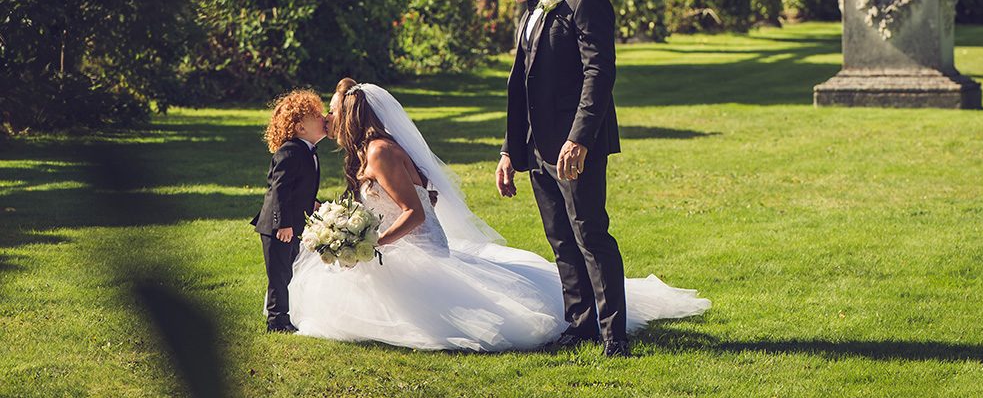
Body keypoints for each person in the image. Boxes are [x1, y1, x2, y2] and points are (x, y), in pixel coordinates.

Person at [286, 80, 708, 352]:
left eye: (334, 112)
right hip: (404, 244)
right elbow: (428, 198)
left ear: (352, 115)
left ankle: (593, 317)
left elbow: (416, 212)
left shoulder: (378, 151)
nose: (329, 119)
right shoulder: (371, 150)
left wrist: (375, 241)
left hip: (415, 248)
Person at [495, 0, 628, 356]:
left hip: (574, 148)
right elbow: (521, 87)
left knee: (590, 234)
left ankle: (614, 337)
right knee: (560, 239)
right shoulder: (530, 12)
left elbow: (599, 75)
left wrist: (579, 139)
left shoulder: (584, 0)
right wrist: (509, 151)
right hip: (536, 149)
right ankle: (580, 324)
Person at [251, 89, 326, 333]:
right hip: (278, 228)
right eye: (317, 115)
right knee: (279, 275)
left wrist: (312, 204)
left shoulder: (307, 151)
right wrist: (281, 224)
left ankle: (287, 314)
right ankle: (276, 320)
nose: (324, 118)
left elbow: (297, 189)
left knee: (291, 270)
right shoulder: (290, 151)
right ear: (300, 127)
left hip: (293, 225)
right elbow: (279, 190)